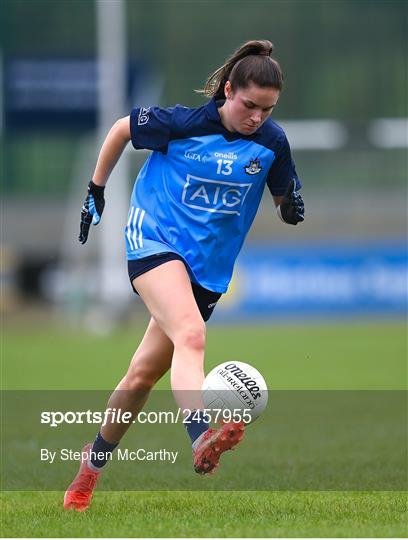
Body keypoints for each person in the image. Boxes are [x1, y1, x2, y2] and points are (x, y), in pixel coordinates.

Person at [64, 39, 304, 511]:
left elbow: (285, 201)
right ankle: (200, 436)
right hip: (154, 240)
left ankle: (86, 473)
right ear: (228, 90)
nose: (257, 117)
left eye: (267, 109)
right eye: (249, 105)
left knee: (140, 378)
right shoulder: (181, 123)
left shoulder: (272, 142)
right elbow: (120, 129)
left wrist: (292, 207)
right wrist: (96, 188)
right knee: (191, 337)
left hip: (207, 272)